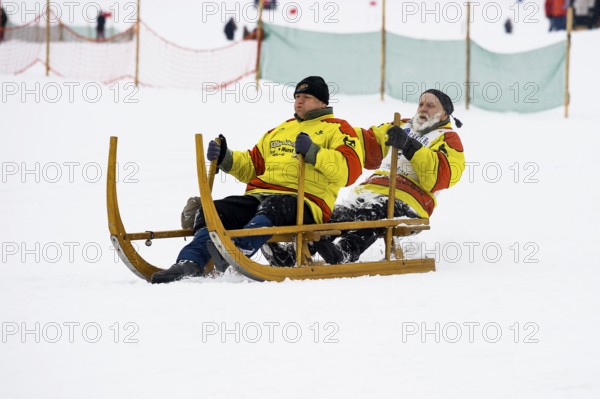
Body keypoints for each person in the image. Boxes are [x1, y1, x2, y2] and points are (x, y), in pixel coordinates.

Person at [151, 76, 363, 283]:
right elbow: (252, 165)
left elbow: (349, 170)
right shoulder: (280, 130)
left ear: (322, 101)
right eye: (297, 95)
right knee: (213, 210)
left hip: (305, 202)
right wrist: (225, 157)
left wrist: (314, 152)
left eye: (306, 96)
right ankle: (191, 262)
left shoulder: (338, 129)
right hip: (260, 197)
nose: (299, 100)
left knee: (274, 206)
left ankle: (239, 249)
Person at [263, 89, 465, 266]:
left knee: (373, 213)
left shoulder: (447, 138)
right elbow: (366, 142)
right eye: (421, 104)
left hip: (408, 200)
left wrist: (410, 146)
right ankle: (296, 253)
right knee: (334, 215)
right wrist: (333, 135)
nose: (423, 109)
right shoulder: (401, 126)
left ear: (444, 114)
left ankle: (345, 252)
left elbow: (441, 175)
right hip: (370, 191)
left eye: (430, 105)